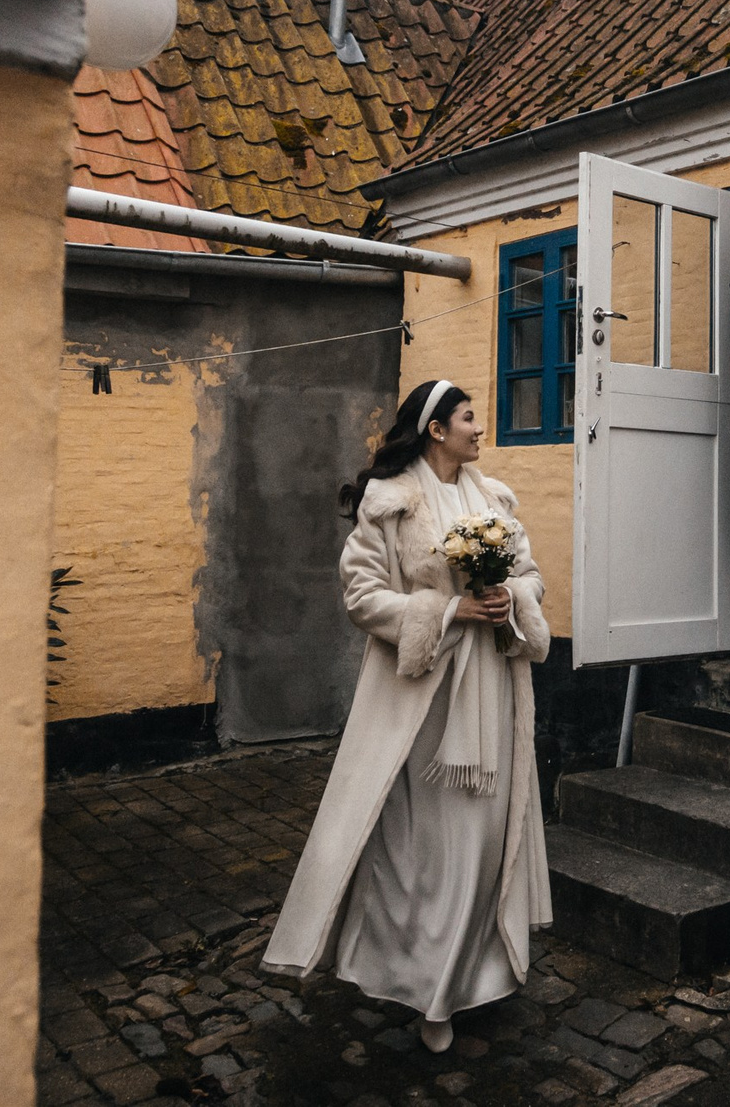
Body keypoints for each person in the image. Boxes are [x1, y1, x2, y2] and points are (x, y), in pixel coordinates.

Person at [262, 381, 551, 1054]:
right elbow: (363, 595)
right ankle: (424, 985)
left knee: (481, 844)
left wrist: (511, 596)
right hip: (422, 699)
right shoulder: (389, 503)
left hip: (492, 692)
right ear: (435, 429)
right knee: (426, 848)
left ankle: (470, 976)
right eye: (469, 416)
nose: (480, 427)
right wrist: (449, 611)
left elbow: (533, 575)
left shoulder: (495, 500)